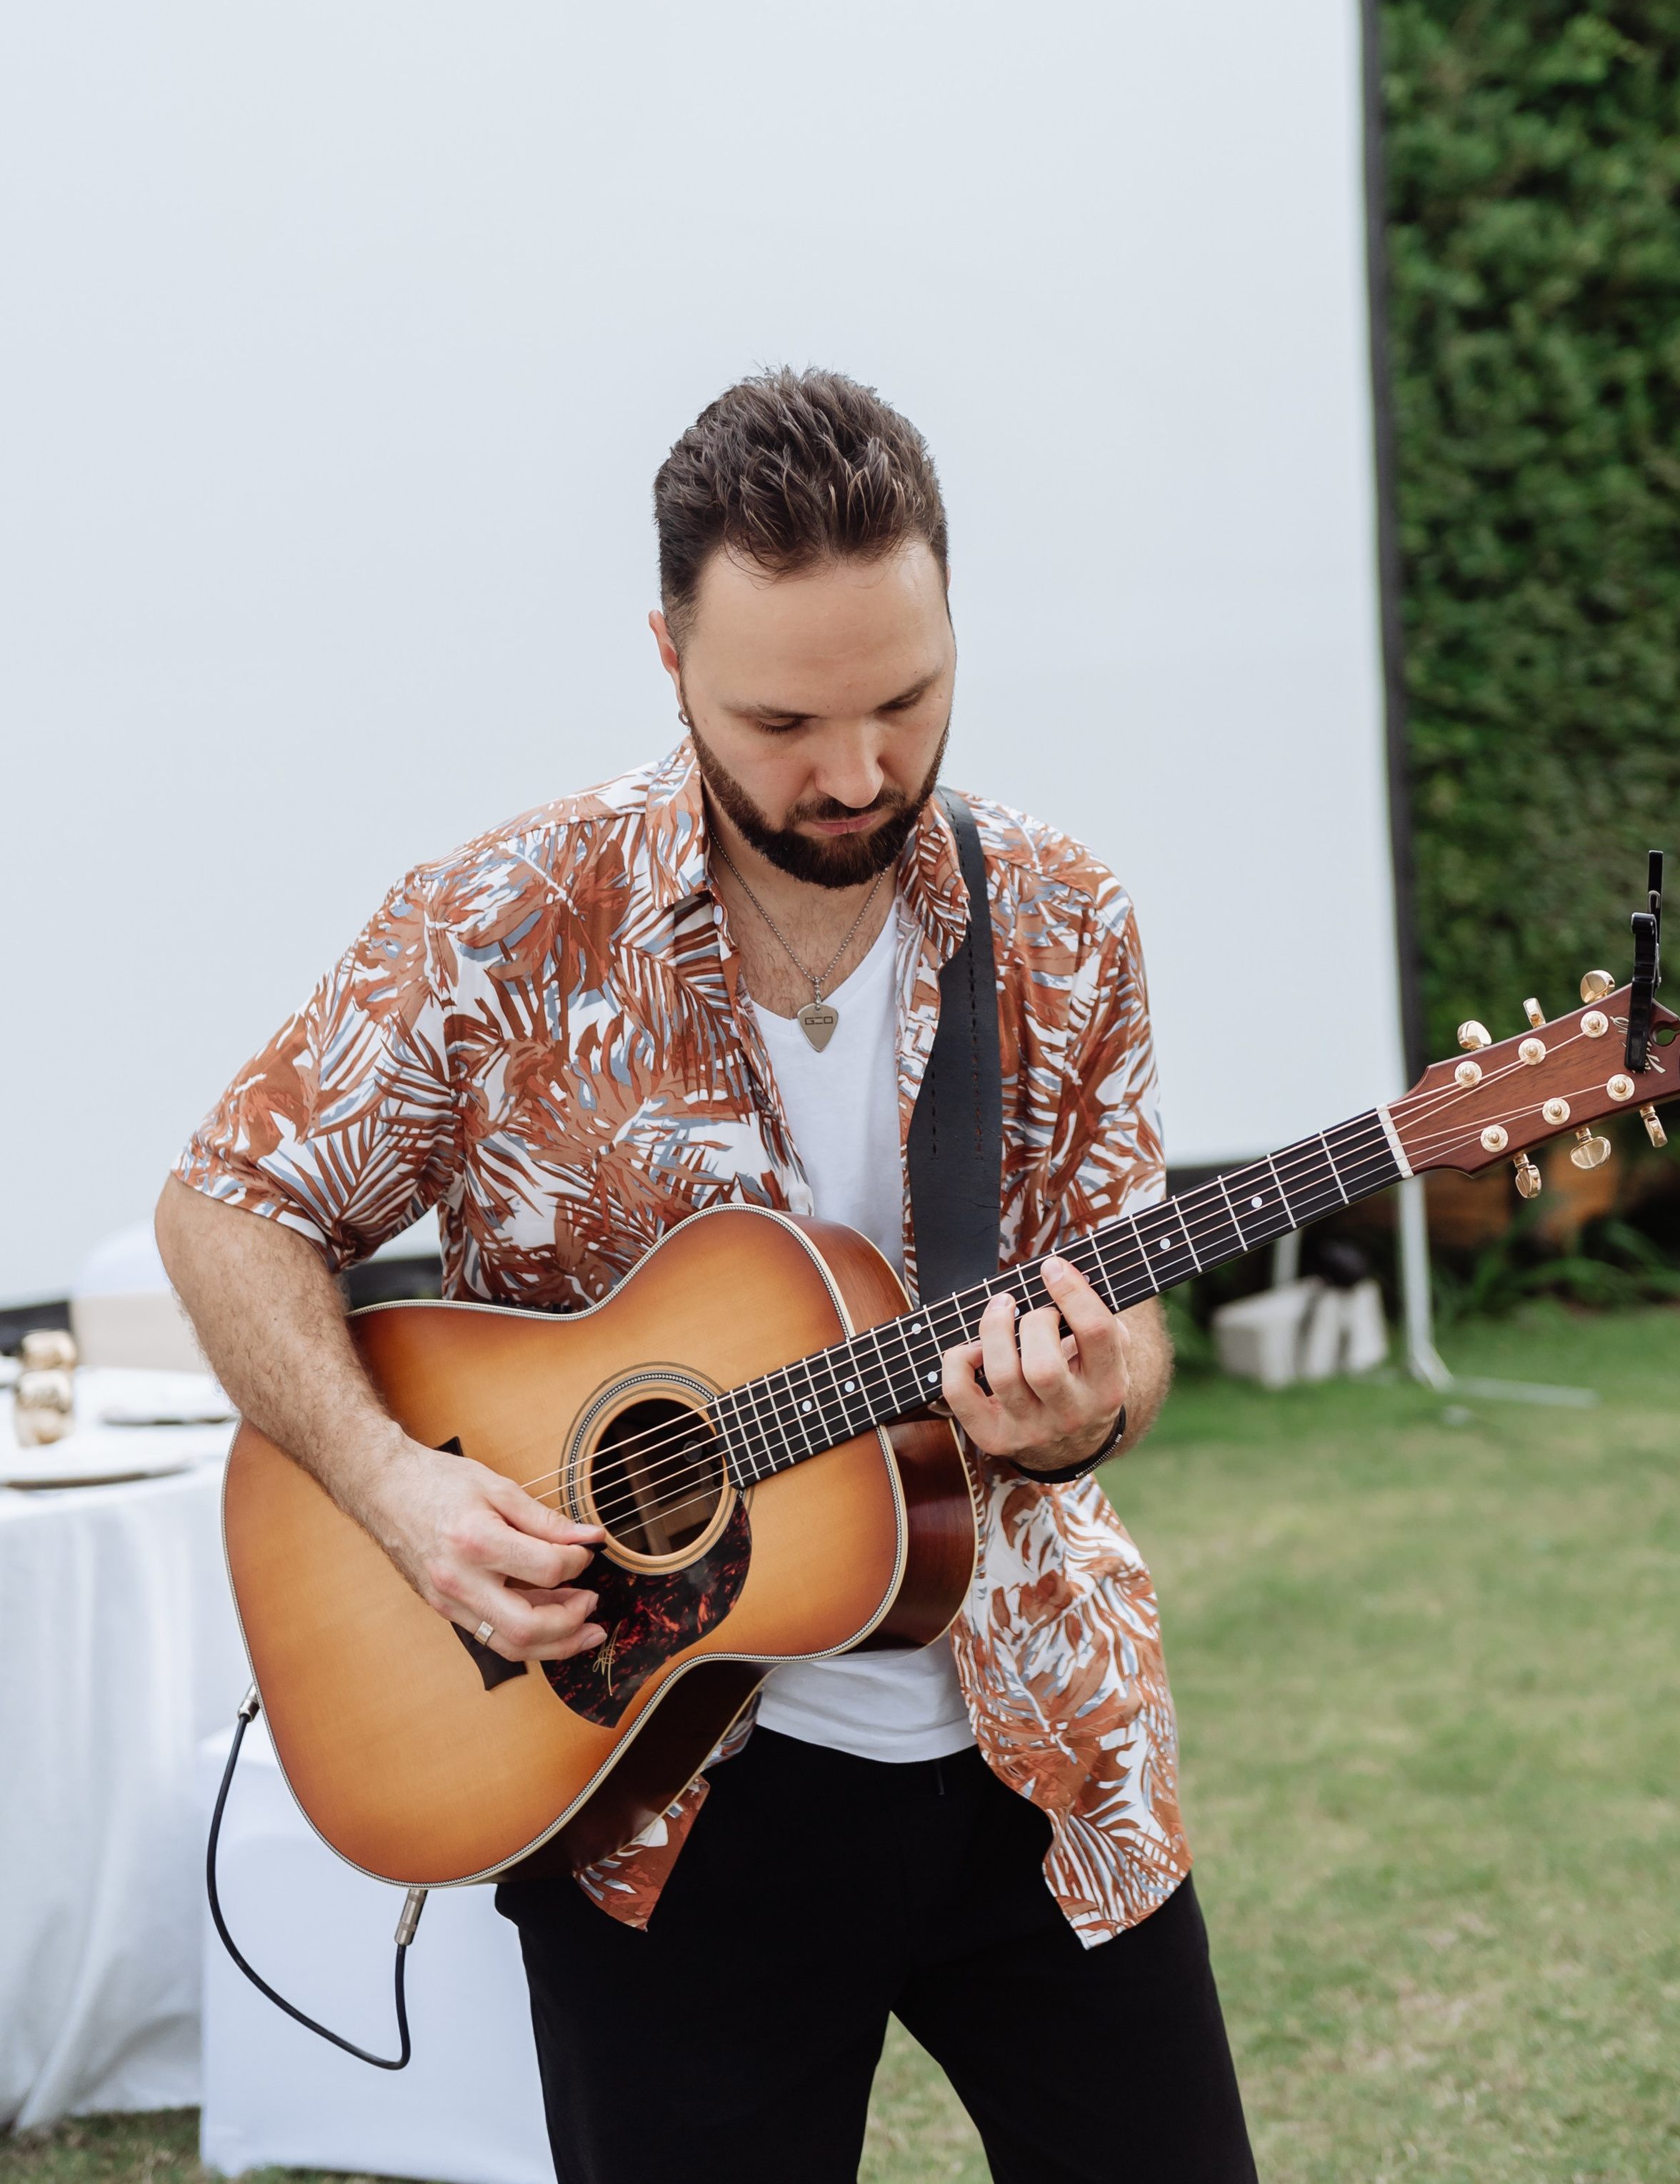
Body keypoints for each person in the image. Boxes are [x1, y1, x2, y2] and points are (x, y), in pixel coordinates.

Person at [158, 369, 1258, 2184]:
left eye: (904, 700)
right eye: (782, 718)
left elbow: (1120, 1313)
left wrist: (1086, 1408)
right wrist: (394, 1486)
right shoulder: (497, 925)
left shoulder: (1061, 920)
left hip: (1039, 1739)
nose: (852, 773)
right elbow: (228, 1206)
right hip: (644, 1794)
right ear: (666, 653)